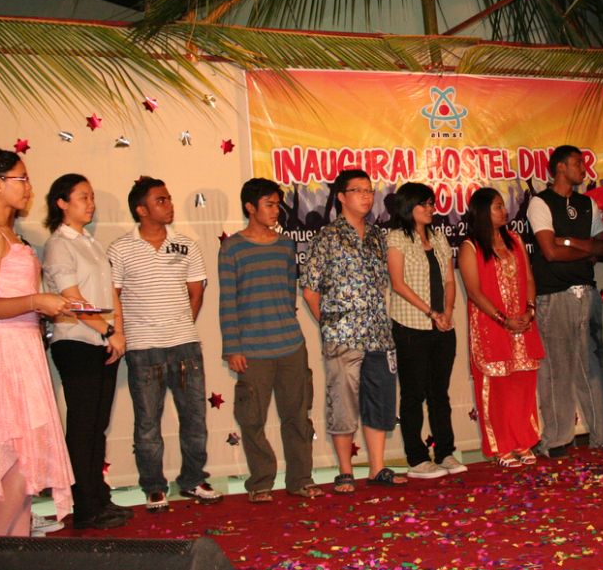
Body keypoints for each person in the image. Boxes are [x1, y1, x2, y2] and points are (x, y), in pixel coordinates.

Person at [0, 142, 74, 536]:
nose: (28, 187)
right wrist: (35, 300)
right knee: (16, 467)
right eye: (21, 178)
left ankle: (14, 556)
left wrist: (44, 305)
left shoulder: (6, 233)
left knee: (26, 470)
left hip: (22, 347)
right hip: (3, 351)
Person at [108, 176, 222, 511]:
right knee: (147, 423)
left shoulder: (186, 245)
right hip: (143, 348)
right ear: (141, 210)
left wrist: (181, 324)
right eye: (160, 200)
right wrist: (124, 333)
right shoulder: (120, 249)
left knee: (195, 419)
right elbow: (113, 296)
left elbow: (196, 293)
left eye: (169, 198)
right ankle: (154, 486)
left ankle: (193, 480)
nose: (169, 204)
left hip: (185, 345)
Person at [300, 169, 406, 492]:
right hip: (342, 336)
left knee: (379, 401)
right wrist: (330, 324)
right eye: (358, 190)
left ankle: (377, 468)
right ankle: (345, 471)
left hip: (378, 334)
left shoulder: (377, 236)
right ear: (341, 197)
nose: (366, 196)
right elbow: (310, 290)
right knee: (343, 404)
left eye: (369, 190)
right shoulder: (327, 237)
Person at [219, 178, 323, 503]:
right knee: (252, 420)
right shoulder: (232, 248)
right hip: (252, 350)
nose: (276, 210)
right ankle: (261, 482)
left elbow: (290, 293)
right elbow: (227, 301)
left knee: (298, 416)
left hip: (291, 345)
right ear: (250, 207)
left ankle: (301, 479)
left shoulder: (286, 245)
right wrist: (232, 348)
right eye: (269, 204)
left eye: (278, 204)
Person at [42, 174, 132, 530]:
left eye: (92, 196)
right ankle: (84, 506)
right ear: (62, 203)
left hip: (102, 341)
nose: (90, 203)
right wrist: (107, 331)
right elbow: (72, 299)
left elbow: (111, 295)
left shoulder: (91, 243)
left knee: (97, 426)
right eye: (82, 197)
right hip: (75, 341)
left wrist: (117, 332)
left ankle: (98, 497)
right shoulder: (58, 244)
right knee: (82, 426)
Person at [527, 144, 603, 458]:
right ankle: (556, 439)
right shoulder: (540, 202)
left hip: (587, 293)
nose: (584, 169)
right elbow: (550, 252)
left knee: (595, 366)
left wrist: (571, 242)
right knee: (557, 369)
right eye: (578, 163)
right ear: (561, 167)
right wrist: (586, 248)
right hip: (553, 296)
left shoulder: (587, 203)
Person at [457, 188, 545, 468]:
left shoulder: (515, 239)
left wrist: (529, 310)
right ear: (483, 211)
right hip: (492, 325)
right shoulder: (470, 247)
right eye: (497, 207)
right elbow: (474, 291)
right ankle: (501, 447)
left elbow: (529, 278)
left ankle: (523, 441)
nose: (504, 211)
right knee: (497, 388)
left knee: (523, 384)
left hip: (522, 323)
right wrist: (503, 319)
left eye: (503, 206)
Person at [386, 182, 464, 479]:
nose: (431, 208)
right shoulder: (397, 238)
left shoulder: (439, 237)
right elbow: (398, 284)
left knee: (439, 393)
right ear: (409, 207)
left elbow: (449, 280)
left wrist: (447, 312)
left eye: (432, 203)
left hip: (442, 326)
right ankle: (417, 457)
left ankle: (445, 452)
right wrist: (431, 312)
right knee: (413, 394)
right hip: (411, 327)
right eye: (425, 204)